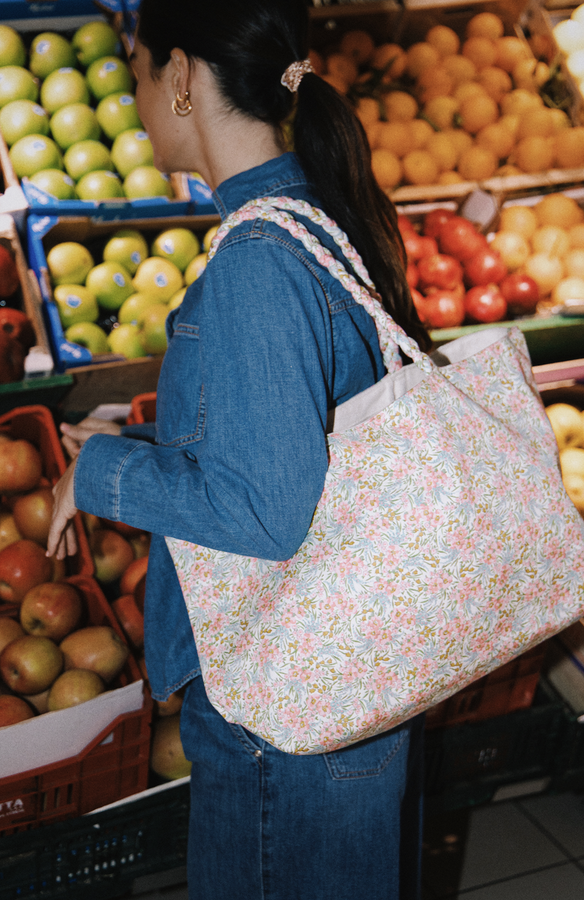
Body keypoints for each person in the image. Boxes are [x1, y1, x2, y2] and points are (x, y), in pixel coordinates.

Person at [48, 2, 431, 897]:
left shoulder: (258, 259)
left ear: (181, 77)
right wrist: (145, 438)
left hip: (284, 715)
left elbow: (266, 507)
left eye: (141, 74)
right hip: (347, 686)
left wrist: (101, 471)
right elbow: (300, 441)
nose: (140, 101)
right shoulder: (315, 214)